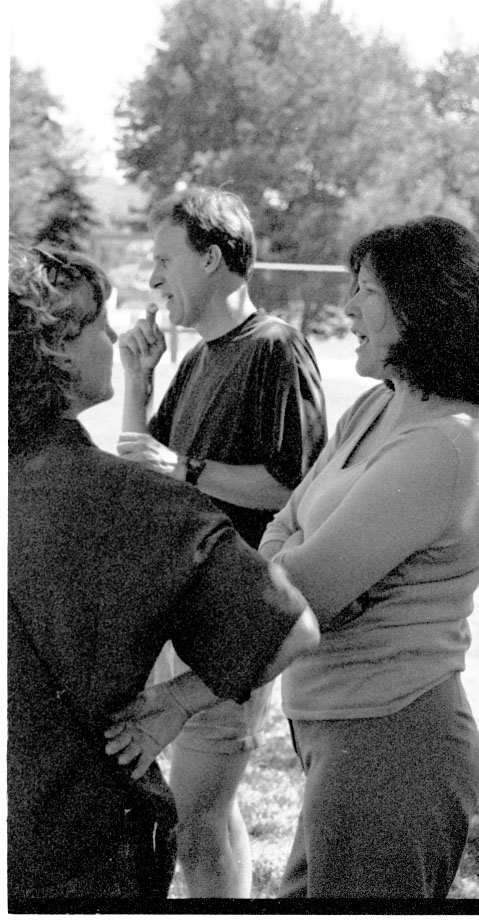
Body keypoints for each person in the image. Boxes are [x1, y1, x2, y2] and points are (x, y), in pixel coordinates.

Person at [7, 244, 319, 905]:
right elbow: (290, 627)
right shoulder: (138, 503)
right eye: (99, 324)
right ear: (55, 350)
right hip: (82, 847)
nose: (115, 335)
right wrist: (176, 702)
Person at [257, 215, 479, 898]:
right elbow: (283, 524)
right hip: (333, 729)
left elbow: (300, 594)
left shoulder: (445, 444)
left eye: (366, 291)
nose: (347, 307)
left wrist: (304, 567)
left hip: (392, 742)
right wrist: (308, 564)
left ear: (422, 308)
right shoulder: (377, 407)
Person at [115, 186, 327, 897]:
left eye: (163, 260)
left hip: (233, 619)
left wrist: (187, 467)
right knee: (203, 819)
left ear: (210, 258)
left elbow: (292, 485)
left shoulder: (276, 348)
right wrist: (137, 379)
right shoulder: (199, 360)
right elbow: (143, 474)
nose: (153, 279)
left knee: (194, 819)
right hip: (179, 614)